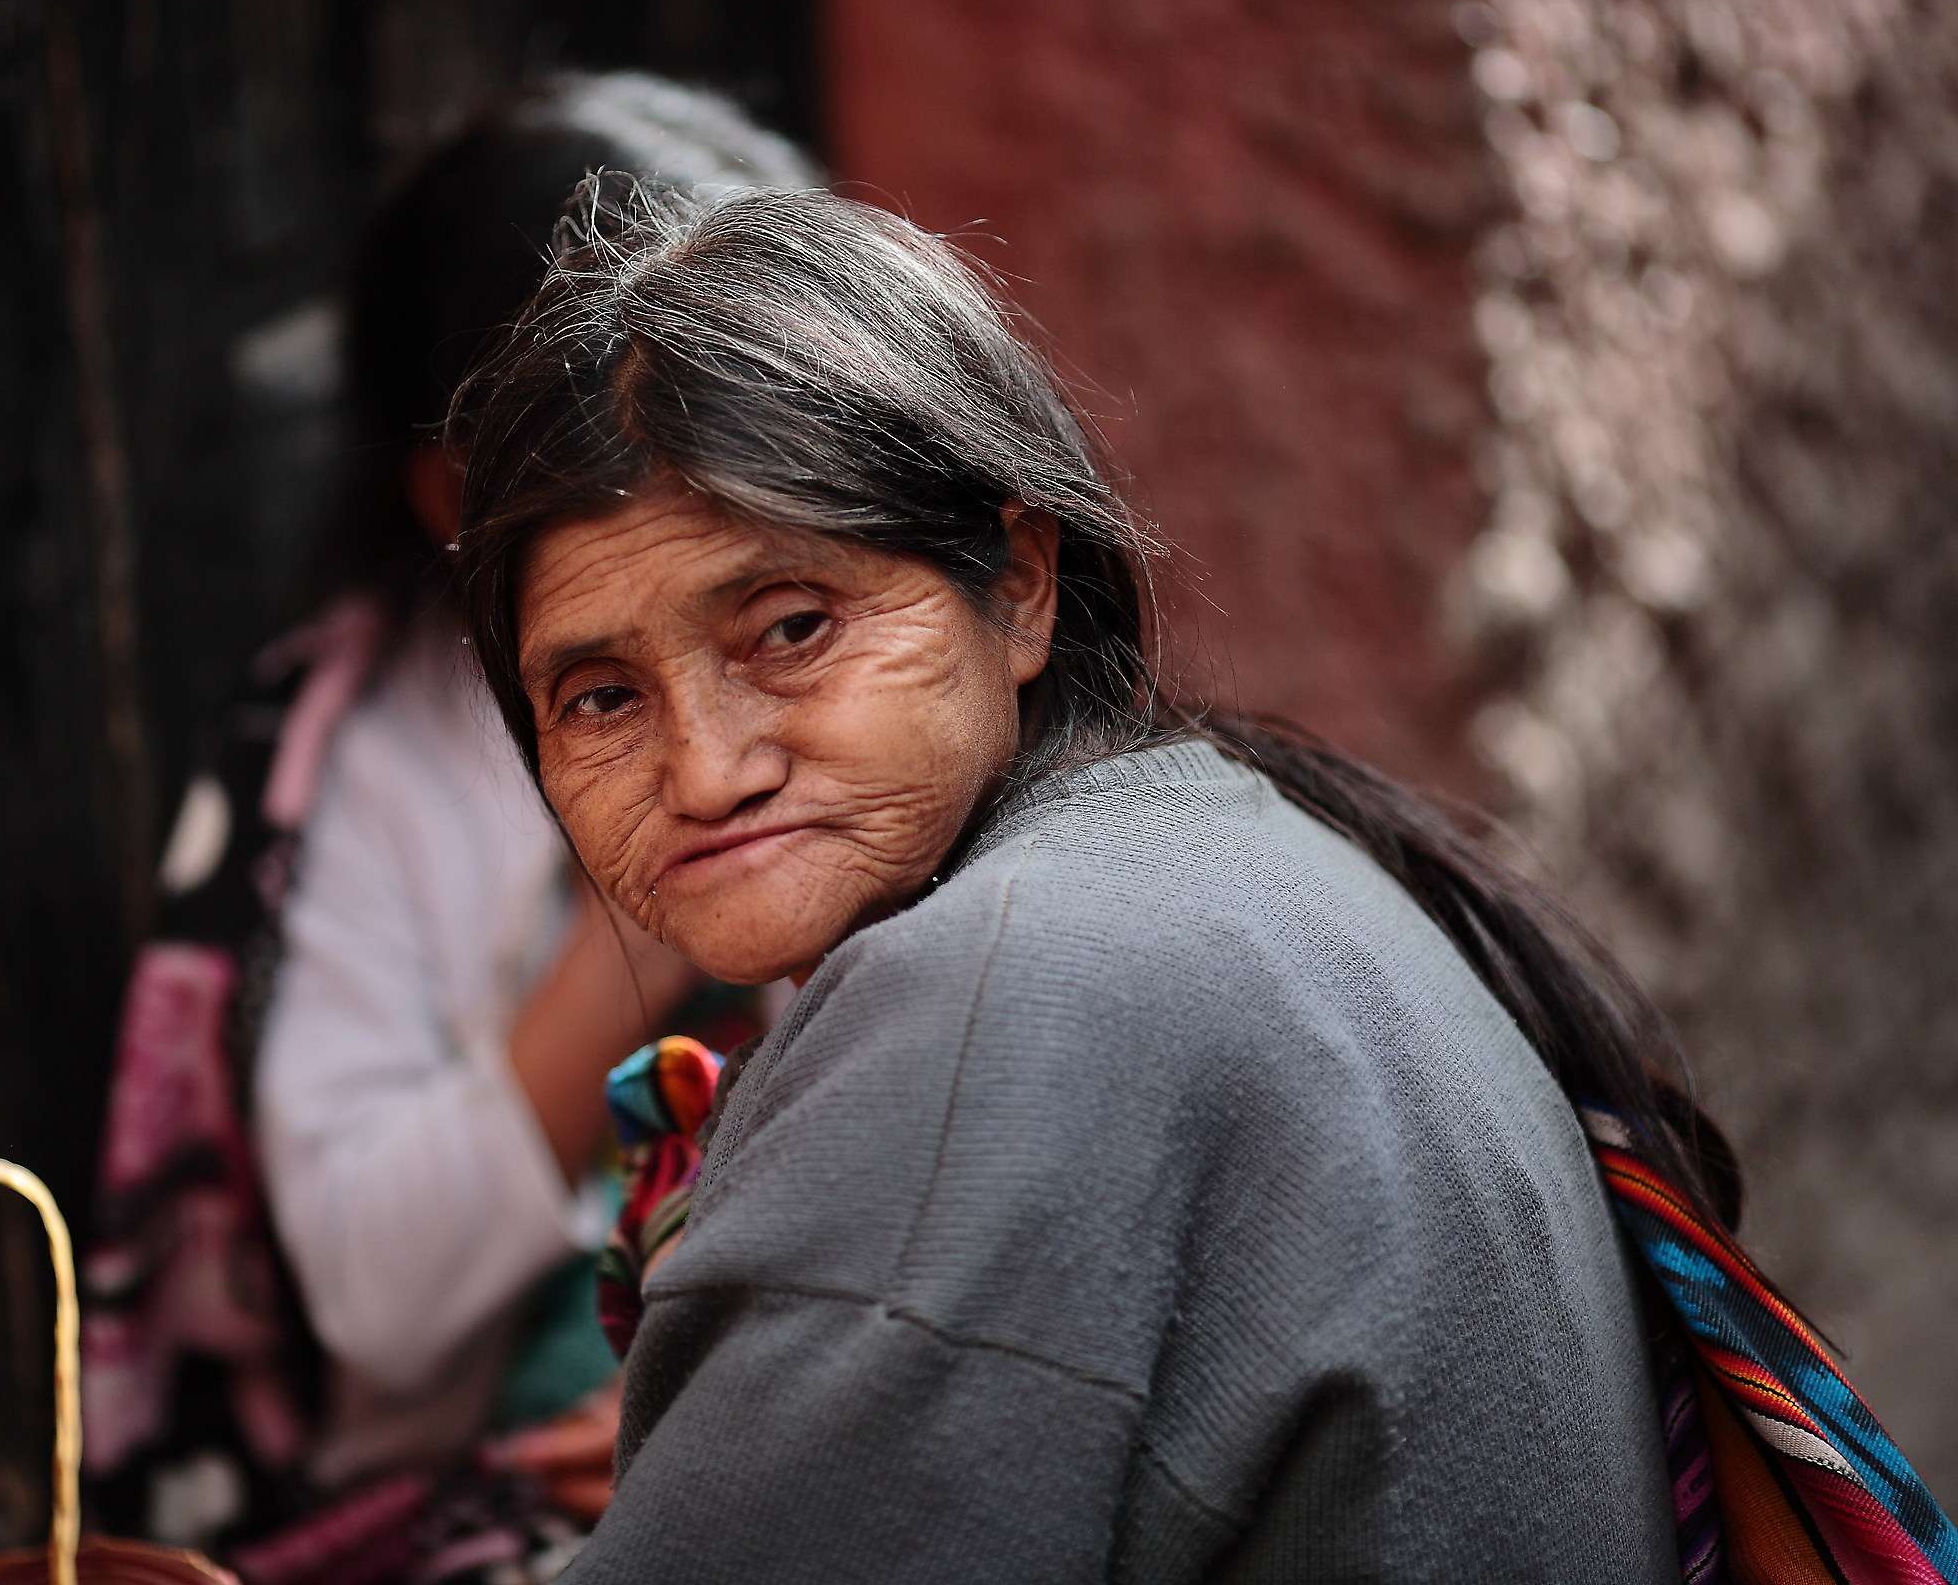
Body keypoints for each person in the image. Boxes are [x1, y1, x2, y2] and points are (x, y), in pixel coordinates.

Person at [440, 180, 1958, 1580]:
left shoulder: (998, 1004)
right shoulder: (1219, 849)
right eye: (600, 699)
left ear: (1018, 585)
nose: (706, 769)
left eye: (790, 628)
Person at [248, 74, 817, 1512]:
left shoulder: (877, 671)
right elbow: (377, 1294)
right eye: (666, 414)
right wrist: (666, 900)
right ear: (458, 497)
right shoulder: (375, 775)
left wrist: (762, 1385)